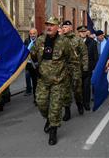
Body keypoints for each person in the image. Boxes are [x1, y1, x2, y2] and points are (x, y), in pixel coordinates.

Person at [31, 17, 77, 146]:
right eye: (47, 25)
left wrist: (71, 76)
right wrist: (34, 64)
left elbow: (72, 59)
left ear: (57, 27)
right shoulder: (40, 40)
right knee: (41, 104)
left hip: (59, 81)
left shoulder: (64, 42)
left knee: (55, 107)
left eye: (52, 25)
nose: (49, 27)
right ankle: (48, 119)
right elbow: (32, 54)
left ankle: (53, 132)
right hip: (43, 80)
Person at [61, 20, 86, 120]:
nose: (64, 28)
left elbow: (84, 54)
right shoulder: (60, 40)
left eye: (66, 27)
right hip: (64, 69)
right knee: (65, 90)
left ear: (71, 28)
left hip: (75, 68)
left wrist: (85, 68)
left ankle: (79, 104)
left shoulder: (77, 40)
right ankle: (67, 111)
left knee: (77, 90)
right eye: (63, 27)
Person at [77, 25, 97, 111]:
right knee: (78, 88)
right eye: (81, 32)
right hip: (77, 69)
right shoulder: (75, 42)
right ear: (78, 33)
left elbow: (95, 57)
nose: (83, 33)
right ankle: (80, 104)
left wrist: (93, 68)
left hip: (88, 69)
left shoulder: (92, 42)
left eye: (84, 32)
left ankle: (86, 103)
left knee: (86, 87)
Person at [24, 28, 38, 100]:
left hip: (36, 64)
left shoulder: (39, 41)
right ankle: (28, 89)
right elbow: (24, 50)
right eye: (31, 34)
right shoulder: (27, 40)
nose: (32, 35)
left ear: (36, 34)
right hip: (28, 64)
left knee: (35, 81)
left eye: (34, 33)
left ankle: (36, 98)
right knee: (27, 77)